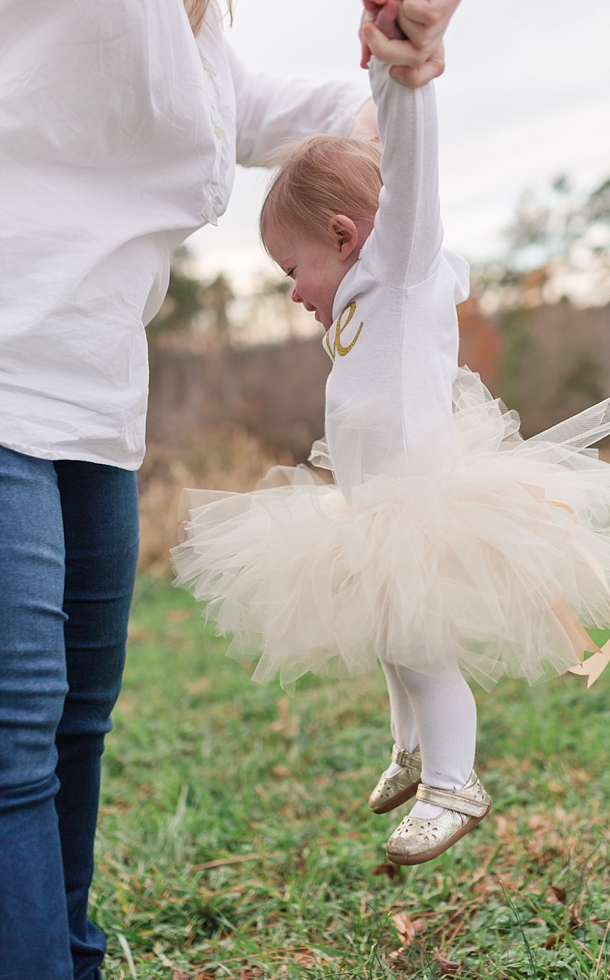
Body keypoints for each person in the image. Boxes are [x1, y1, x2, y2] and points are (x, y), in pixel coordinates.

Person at [0, 0, 460, 975]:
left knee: (77, 717)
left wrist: (400, 63)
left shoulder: (209, 51)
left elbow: (345, 99)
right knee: (13, 733)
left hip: (95, 396)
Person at [172, 2, 610, 869]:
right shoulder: (355, 304)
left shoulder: (398, 269)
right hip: (371, 508)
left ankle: (454, 783)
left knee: (422, 648)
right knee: (395, 638)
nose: (290, 293)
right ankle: (409, 753)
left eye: (293, 271)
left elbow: (407, 168)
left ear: (345, 236)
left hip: (427, 505)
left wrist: (396, 80)